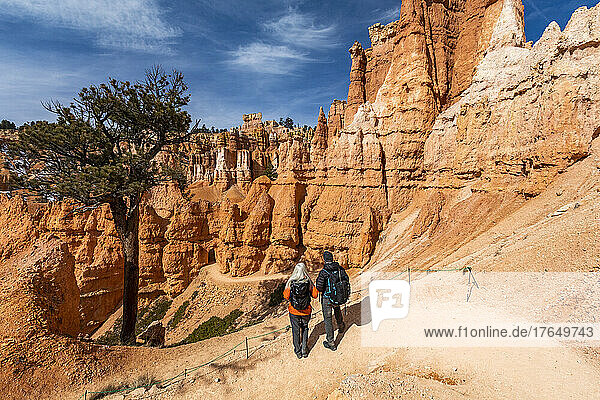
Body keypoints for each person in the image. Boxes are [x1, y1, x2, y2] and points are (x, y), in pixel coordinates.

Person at [315, 251, 349, 351]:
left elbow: (319, 287)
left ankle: (331, 342)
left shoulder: (324, 272)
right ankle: (341, 326)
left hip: (327, 298)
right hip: (337, 296)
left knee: (328, 319)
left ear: (324, 260)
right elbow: (346, 278)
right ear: (332, 258)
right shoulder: (339, 268)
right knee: (337, 309)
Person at [283, 262, 318, 359]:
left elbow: (286, 296)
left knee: (295, 330)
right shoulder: (308, 282)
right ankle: (304, 350)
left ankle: (298, 351)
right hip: (306, 311)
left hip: (293, 311)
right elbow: (315, 295)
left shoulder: (291, 282)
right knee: (305, 328)